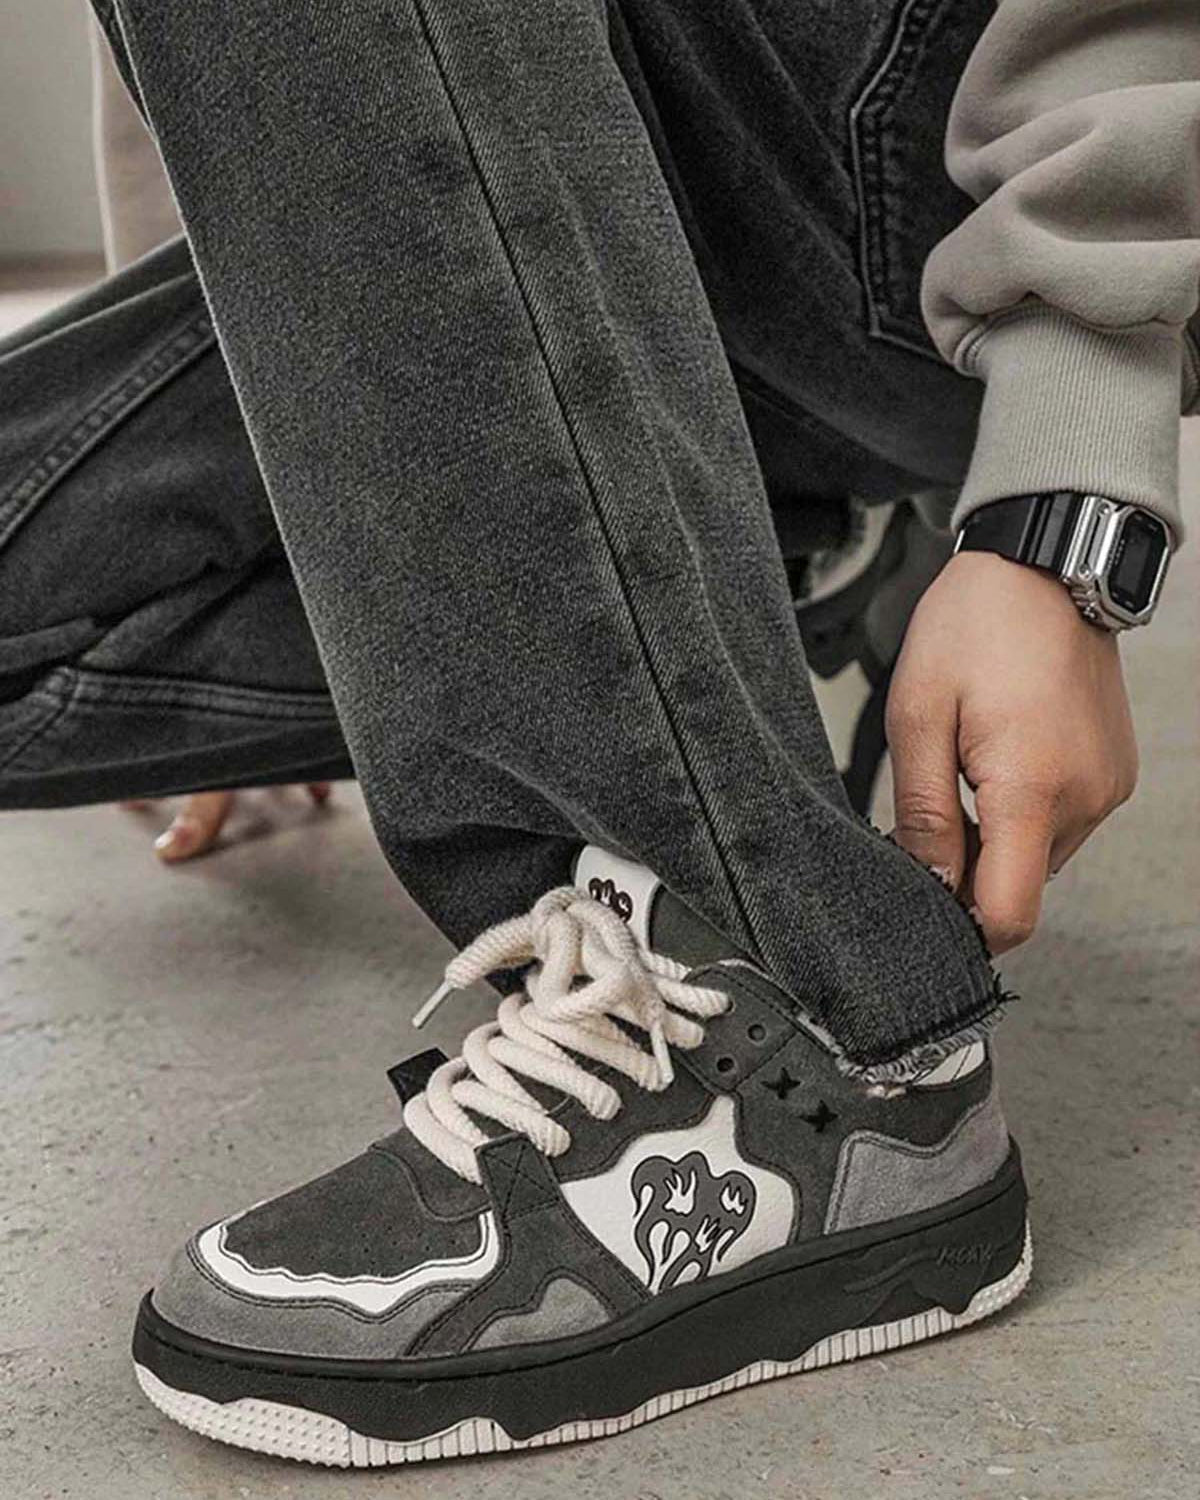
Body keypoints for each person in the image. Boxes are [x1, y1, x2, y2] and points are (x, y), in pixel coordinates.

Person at [1, 0, 1195, 1468]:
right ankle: (754, 555)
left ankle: (793, 1016)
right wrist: (359, 494)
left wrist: (1062, 495)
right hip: (526, 156)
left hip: (908, 173)